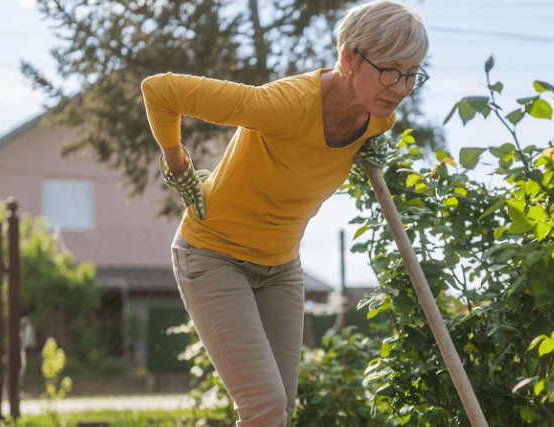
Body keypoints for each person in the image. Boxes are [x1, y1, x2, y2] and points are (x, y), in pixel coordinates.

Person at [140, 1, 428, 425]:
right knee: (264, 407)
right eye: (390, 71)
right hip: (212, 256)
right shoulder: (285, 104)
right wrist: (177, 163)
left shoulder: (377, 117)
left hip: (281, 266)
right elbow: (160, 90)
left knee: (281, 411)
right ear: (349, 59)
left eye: (411, 74)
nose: (401, 88)